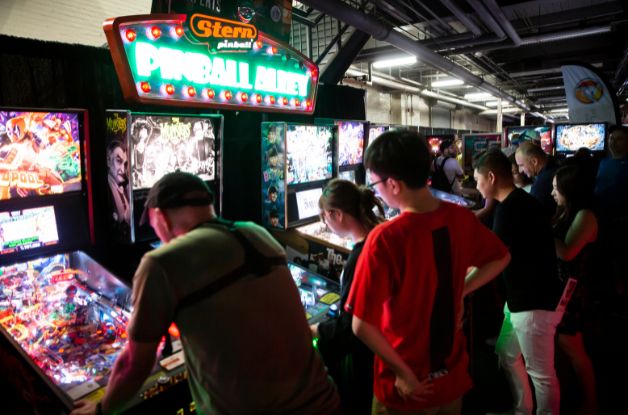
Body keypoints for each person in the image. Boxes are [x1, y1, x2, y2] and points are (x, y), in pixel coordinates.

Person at [71, 172, 340, 415]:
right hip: (325, 402)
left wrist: (100, 410)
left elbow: (136, 364)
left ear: (160, 217)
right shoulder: (256, 233)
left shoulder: (161, 262)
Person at [346, 130, 511, 414]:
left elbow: (361, 325)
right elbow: (500, 258)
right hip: (451, 373)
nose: (375, 191)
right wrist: (462, 289)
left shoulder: (384, 239)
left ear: (393, 184)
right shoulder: (460, 218)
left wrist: (404, 374)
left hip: (407, 385)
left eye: (375, 183)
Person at [474, 149, 565, 415]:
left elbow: (494, 256)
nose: (477, 186)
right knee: (507, 355)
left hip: (534, 303)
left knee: (542, 374)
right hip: (519, 300)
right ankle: (522, 410)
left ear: (491, 177)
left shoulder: (511, 209)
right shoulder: (515, 203)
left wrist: (462, 281)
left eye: (478, 179)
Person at [311, 178, 385, 414]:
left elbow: (349, 327)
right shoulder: (378, 235)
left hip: (369, 356)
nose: (325, 223)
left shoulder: (360, 257)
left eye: (324, 217)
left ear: (336, 214)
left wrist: (313, 329)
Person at [551, 165, 598, 415]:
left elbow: (568, 253)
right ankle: (570, 396)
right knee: (563, 345)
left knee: (573, 347)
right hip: (561, 290)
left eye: (556, 188)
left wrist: (542, 229)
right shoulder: (567, 212)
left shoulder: (586, 215)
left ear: (570, 189)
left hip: (574, 292)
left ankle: (590, 403)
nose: (552, 193)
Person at [514, 141, 558, 218]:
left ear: (534, 161)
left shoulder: (541, 184)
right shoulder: (554, 163)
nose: (520, 170)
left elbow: (532, 217)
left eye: (521, 165)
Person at [106, 140, 130, 236]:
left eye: (125, 164)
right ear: (108, 161)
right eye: (119, 161)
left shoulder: (125, 187)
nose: (123, 169)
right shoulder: (106, 189)